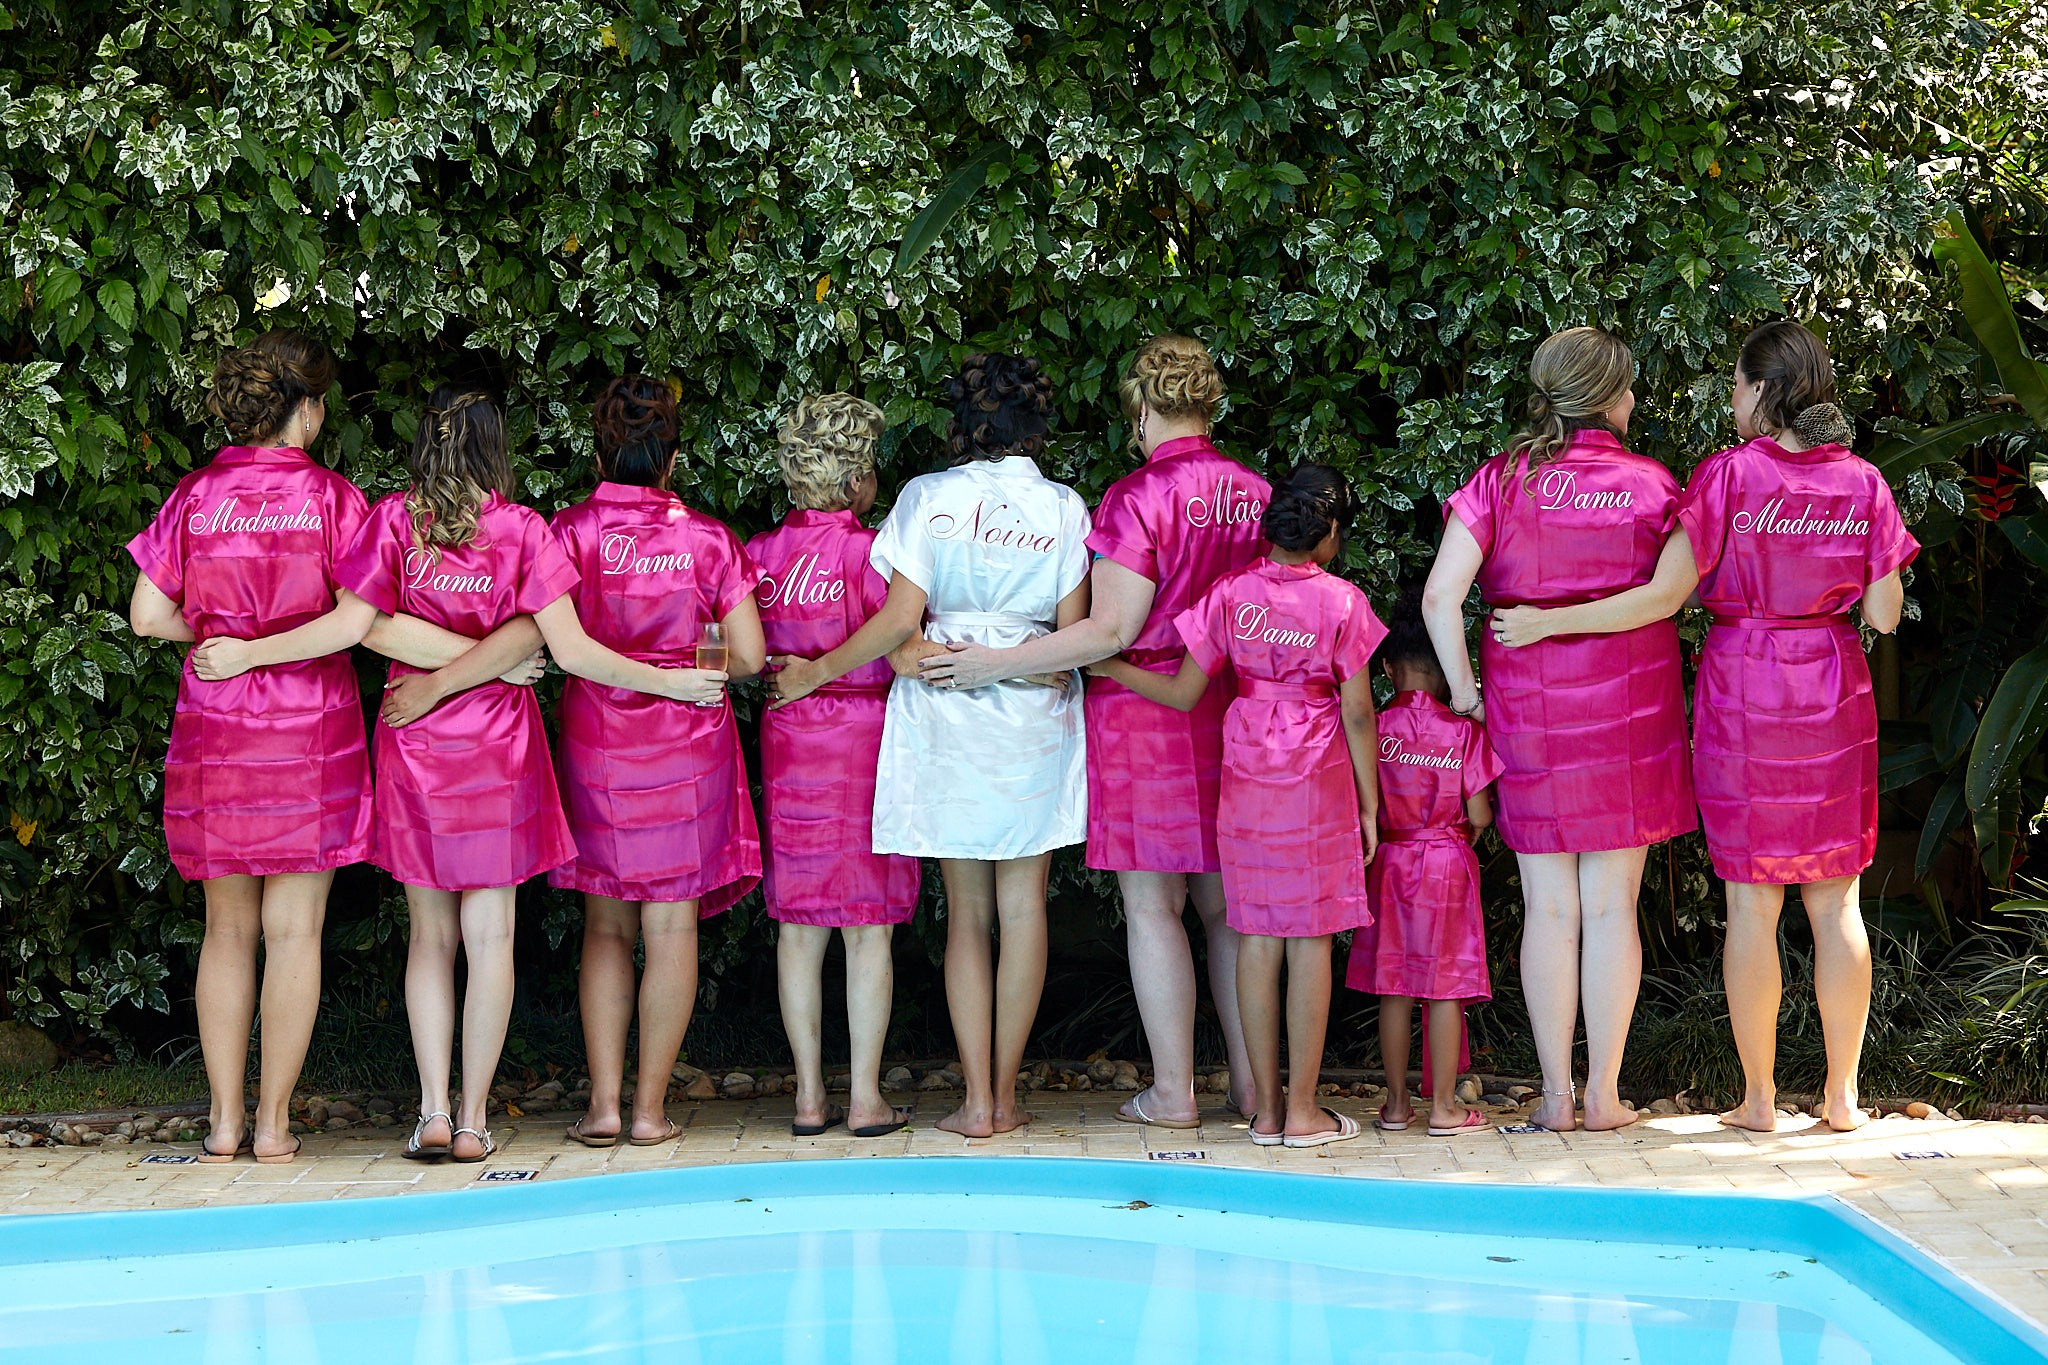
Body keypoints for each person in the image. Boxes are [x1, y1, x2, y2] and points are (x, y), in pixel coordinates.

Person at [1492, 319, 1915, 1133]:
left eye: (1736, 385)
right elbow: (1886, 615)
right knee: (1838, 904)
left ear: (1763, 391)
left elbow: (1662, 597)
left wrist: (1548, 623)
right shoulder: (1863, 482)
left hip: (1746, 687)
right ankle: (1841, 1097)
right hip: (1831, 687)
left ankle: (1759, 1099)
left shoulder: (1726, 475)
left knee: (1751, 905)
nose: (1731, 400)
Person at [379, 376, 765, 1150]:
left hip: (599, 742)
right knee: (673, 925)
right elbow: (749, 655)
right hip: (688, 740)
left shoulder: (568, 530)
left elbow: (551, 639)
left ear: (598, 451)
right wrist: (693, 660)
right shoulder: (707, 539)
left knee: (606, 926)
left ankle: (604, 1105)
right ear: (672, 457)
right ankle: (649, 1109)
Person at [915, 334, 1267, 1126]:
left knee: (1153, 906)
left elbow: (1110, 629)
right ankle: (1252, 1086)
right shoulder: (1256, 490)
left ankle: (1173, 1090)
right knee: (1226, 909)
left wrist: (996, 663)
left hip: (1147, 716)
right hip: (1235, 705)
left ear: (1142, 409)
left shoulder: (1137, 496)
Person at [773, 354, 1090, 1138]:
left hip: (947, 701)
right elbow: (1072, 629)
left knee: (967, 914)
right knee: (1024, 908)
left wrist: (817, 670)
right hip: (1030, 710)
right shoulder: (1063, 506)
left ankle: (975, 1101)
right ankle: (1006, 1098)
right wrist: (1021, 661)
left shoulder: (927, 496)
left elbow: (896, 624)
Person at [1422, 325, 1695, 1133]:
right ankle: (1605, 1094)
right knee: (1611, 906)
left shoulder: (1501, 480)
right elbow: (1675, 590)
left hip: (1530, 712)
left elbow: (1440, 598)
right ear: (1608, 399)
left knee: (1548, 906)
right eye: (1630, 387)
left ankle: (1555, 1096)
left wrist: (1467, 696)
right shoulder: (1653, 483)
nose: (1635, 399)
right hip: (1629, 716)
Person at [126, 331, 370, 1165]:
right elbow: (359, 619)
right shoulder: (334, 498)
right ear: (306, 410)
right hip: (309, 732)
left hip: (219, 728)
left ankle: (224, 1122)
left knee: (227, 930)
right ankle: (273, 1124)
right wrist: (269, 645)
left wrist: (222, 639)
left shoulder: (195, 495)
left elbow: (146, 615)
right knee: (294, 931)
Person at [1092, 465, 1383, 1148]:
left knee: (1255, 933)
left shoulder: (1230, 594)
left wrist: (1111, 667)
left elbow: (1183, 693)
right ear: (1329, 533)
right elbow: (1359, 713)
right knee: (1310, 938)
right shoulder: (1342, 603)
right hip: (1316, 775)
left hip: (1247, 773)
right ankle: (1303, 1112)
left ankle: (1267, 1111)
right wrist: (1371, 805)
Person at [333, 387, 582, 1163]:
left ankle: (433, 1109)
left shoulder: (395, 521)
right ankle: (474, 1119)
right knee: (491, 933)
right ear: (493, 444)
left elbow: (369, 626)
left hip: (416, 737)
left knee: (431, 935)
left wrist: (438, 676)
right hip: (497, 743)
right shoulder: (522, 528)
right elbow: (535, 634)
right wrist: (490, 662)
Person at [747, 394, 920, 1139]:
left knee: (798, 926)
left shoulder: (758, 554)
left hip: (789, 740)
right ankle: (866, 1098)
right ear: (855, 480)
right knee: (867, 926)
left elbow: (724, 643)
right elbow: (906, 642)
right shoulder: (875, 553)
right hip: (866, 740)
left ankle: (810, 1097)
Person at [1343, 587, 1502, 1136]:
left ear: (1388, 668)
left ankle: (1394, 1105)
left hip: (1387, 861)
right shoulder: (1463, 732)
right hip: (1446, 865)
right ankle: (1444, 1108)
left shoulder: (1373, 729)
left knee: (1394, 986)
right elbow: (1479, 813)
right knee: (1444, 986)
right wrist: (1464, 829)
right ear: (1446, 667)